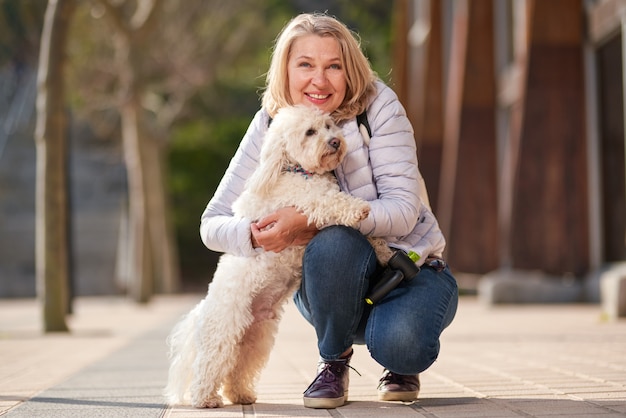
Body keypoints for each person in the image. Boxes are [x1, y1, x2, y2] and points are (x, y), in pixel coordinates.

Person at [200, 12, 458, 409]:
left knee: (402, 344)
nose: (319, 81)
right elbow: (212, 223)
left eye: (333, 66)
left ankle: (396, 348)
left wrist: (304, 219)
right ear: (285, 71)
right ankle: (333, 361)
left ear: (349, 70)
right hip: (333, 278)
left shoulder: (379, 108)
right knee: (335, 242)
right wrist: (257, 234)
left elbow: (404, 211)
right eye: (305, 65)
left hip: (407, 267)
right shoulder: (271, 124)